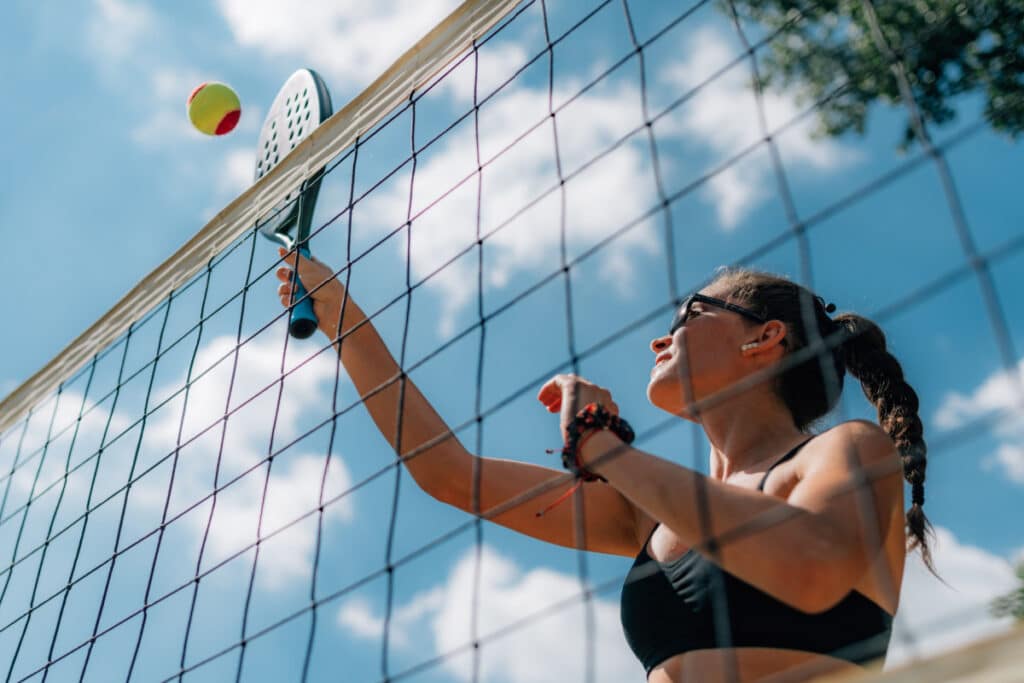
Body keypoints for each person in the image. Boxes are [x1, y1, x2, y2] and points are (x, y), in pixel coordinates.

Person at [276, 247, 931, 682]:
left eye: (691, 314)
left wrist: (604, 451)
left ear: (765, 338)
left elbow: (812, 568)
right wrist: (342, 317)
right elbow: (449, 473)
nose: (660, 336)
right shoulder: (651, 512)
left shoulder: (849, 449)